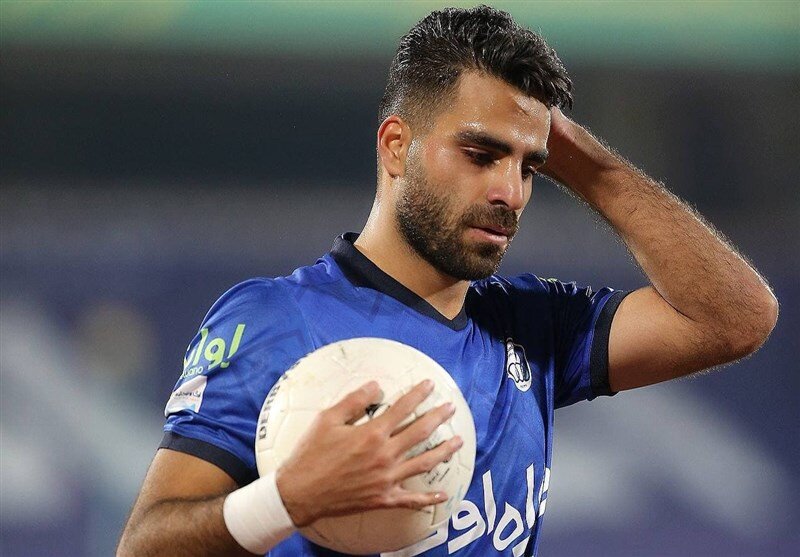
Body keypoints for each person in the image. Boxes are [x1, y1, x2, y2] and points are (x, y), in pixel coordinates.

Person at [117, 5, 778, 557]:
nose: (510, 191)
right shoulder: (277, 320)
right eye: (481, 154)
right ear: (396, 146)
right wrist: (285, 500)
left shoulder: (533, 327)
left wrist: (583, 162)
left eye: (529, 166)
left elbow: (736, 317)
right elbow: (143, 547)